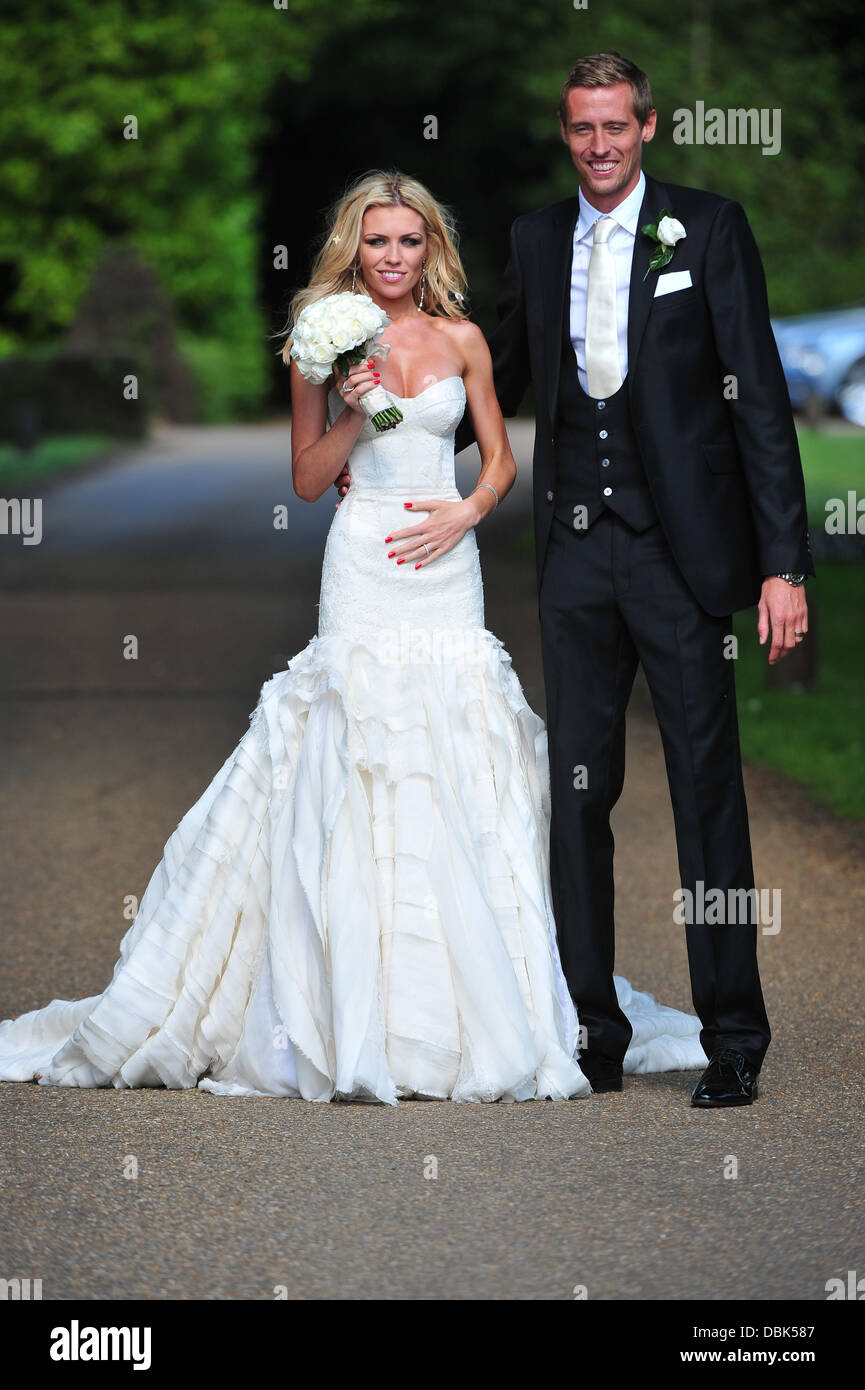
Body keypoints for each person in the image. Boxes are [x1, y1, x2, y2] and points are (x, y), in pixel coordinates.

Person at [0, 170, 707, 1104]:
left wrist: (469, 513)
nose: (391, 257)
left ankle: (474, 995)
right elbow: (306, 479)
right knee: (356, 749)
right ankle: (342, 997)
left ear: (430, 251)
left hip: (445, 565)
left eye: (408, 242)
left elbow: (498, 455)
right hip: (364, 560)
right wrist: (347, 406)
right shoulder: (322, 342)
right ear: (353, 247)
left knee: (456, 745)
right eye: (376, 241)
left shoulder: (461, 338)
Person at [446, 54, 813, 1106]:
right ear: (564, 134)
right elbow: (496, 381)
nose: (598, 146)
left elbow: (759, 403)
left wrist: (783, 563)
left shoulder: (708, 228)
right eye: (580, 129)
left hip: (681, 557)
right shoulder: (532, 238)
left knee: (707, 797)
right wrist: (398, 429)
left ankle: (733, 1033)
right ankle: (591, 1026)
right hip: (574, 558)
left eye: (615, 127)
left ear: (647, 127)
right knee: (577, 797)